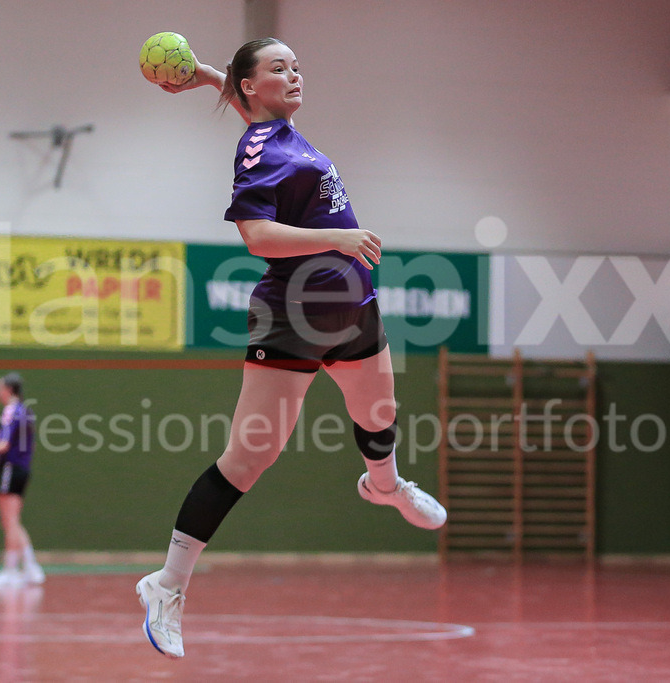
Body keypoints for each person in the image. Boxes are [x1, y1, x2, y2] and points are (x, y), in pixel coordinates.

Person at [136, 38, 446, 659]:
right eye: (279, 68)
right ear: (253, 85)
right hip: (293, 317)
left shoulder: (278, 128)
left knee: (379, 415)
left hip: (353, 310)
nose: (295, 74)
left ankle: (384, 487)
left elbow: (248, 100)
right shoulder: (258, 147)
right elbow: (256, 235)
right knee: (249, 459)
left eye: (298, 65)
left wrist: (201, 74)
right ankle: (166, 585)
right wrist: (341, 235)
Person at [0, 372, 45, 588]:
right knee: (13, 521)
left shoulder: (10, 411)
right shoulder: (25, 411)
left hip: (10, 468)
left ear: (8, 390)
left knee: (9, 520)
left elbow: (4, 445)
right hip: (22, 469)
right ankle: (31, 567)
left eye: (0, 388)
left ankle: (10, 570)